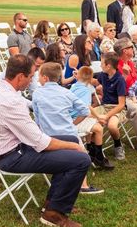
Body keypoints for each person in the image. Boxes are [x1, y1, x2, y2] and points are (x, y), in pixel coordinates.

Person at [0, 54, 91, 227]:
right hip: (12, 157)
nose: (32, 80)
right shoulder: (10, 101)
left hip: (12, 149)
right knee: (81, 159)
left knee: (69, 140)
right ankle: (54, 214)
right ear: (20, 77)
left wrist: (70, 143)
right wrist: (76, 146)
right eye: (31, 76)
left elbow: (35, 137)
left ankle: (52, 202)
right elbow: (41, 142)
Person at [32, 63, 103, 195]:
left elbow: (36, 116)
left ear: (45, 78)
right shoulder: (65, 92)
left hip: (48, 136)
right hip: (68, 133)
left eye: (39, 76)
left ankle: (65, 179)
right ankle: (84, 185)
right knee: (81, 153)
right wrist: (73, 123)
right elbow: (84, 110)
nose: (37, 79)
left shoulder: (37, 93)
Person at [69, 66, 114, 169]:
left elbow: (86, 107)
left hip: (73, 117)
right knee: (98, 128)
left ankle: (91, 150)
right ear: (90, 79)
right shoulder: (85, 90)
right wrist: (98, 116)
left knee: (95, 122)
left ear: (78, 76)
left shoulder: (74, 86)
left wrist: (97, 116)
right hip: (76, 120)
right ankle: (98, 157)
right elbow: (85, 109)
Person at [113, 38, 137, 154]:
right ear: (124, 50)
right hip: (124, 97)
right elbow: (116, 87)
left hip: (136, 93)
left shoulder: (130, 62)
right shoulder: (115, 66)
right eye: (131, 47)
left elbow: (136, 81)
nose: (133, 49)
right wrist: (124, 74)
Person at [94, 52, 128, 161]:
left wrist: (107, 116)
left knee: (112, 126)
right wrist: (82, 77)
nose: (100, 65)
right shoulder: (103, 74)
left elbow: (121, 105)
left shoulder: (120, 80)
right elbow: (95, 82)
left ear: (108, 66)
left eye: (102, 63)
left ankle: (118, 145)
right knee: (85, 114)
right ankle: (91, 146)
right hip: (104, 106)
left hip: (117, 109)